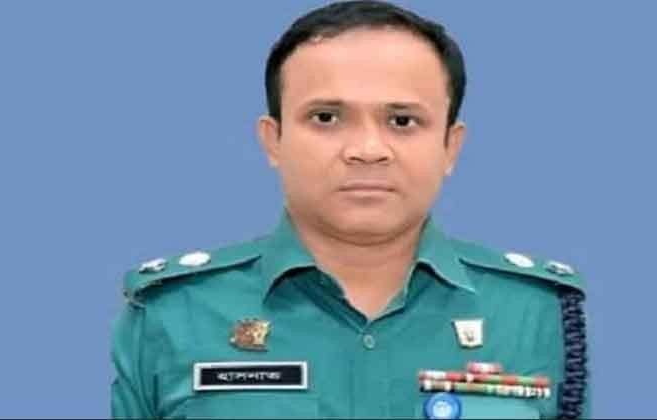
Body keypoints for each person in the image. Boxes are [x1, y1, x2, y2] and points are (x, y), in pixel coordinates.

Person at [110, 1, 590, 418]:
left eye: (402, 120)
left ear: (451, 146)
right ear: (273, 140)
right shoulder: (174, 313)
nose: (367, 149)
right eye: (326, 118)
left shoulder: (536, 314)